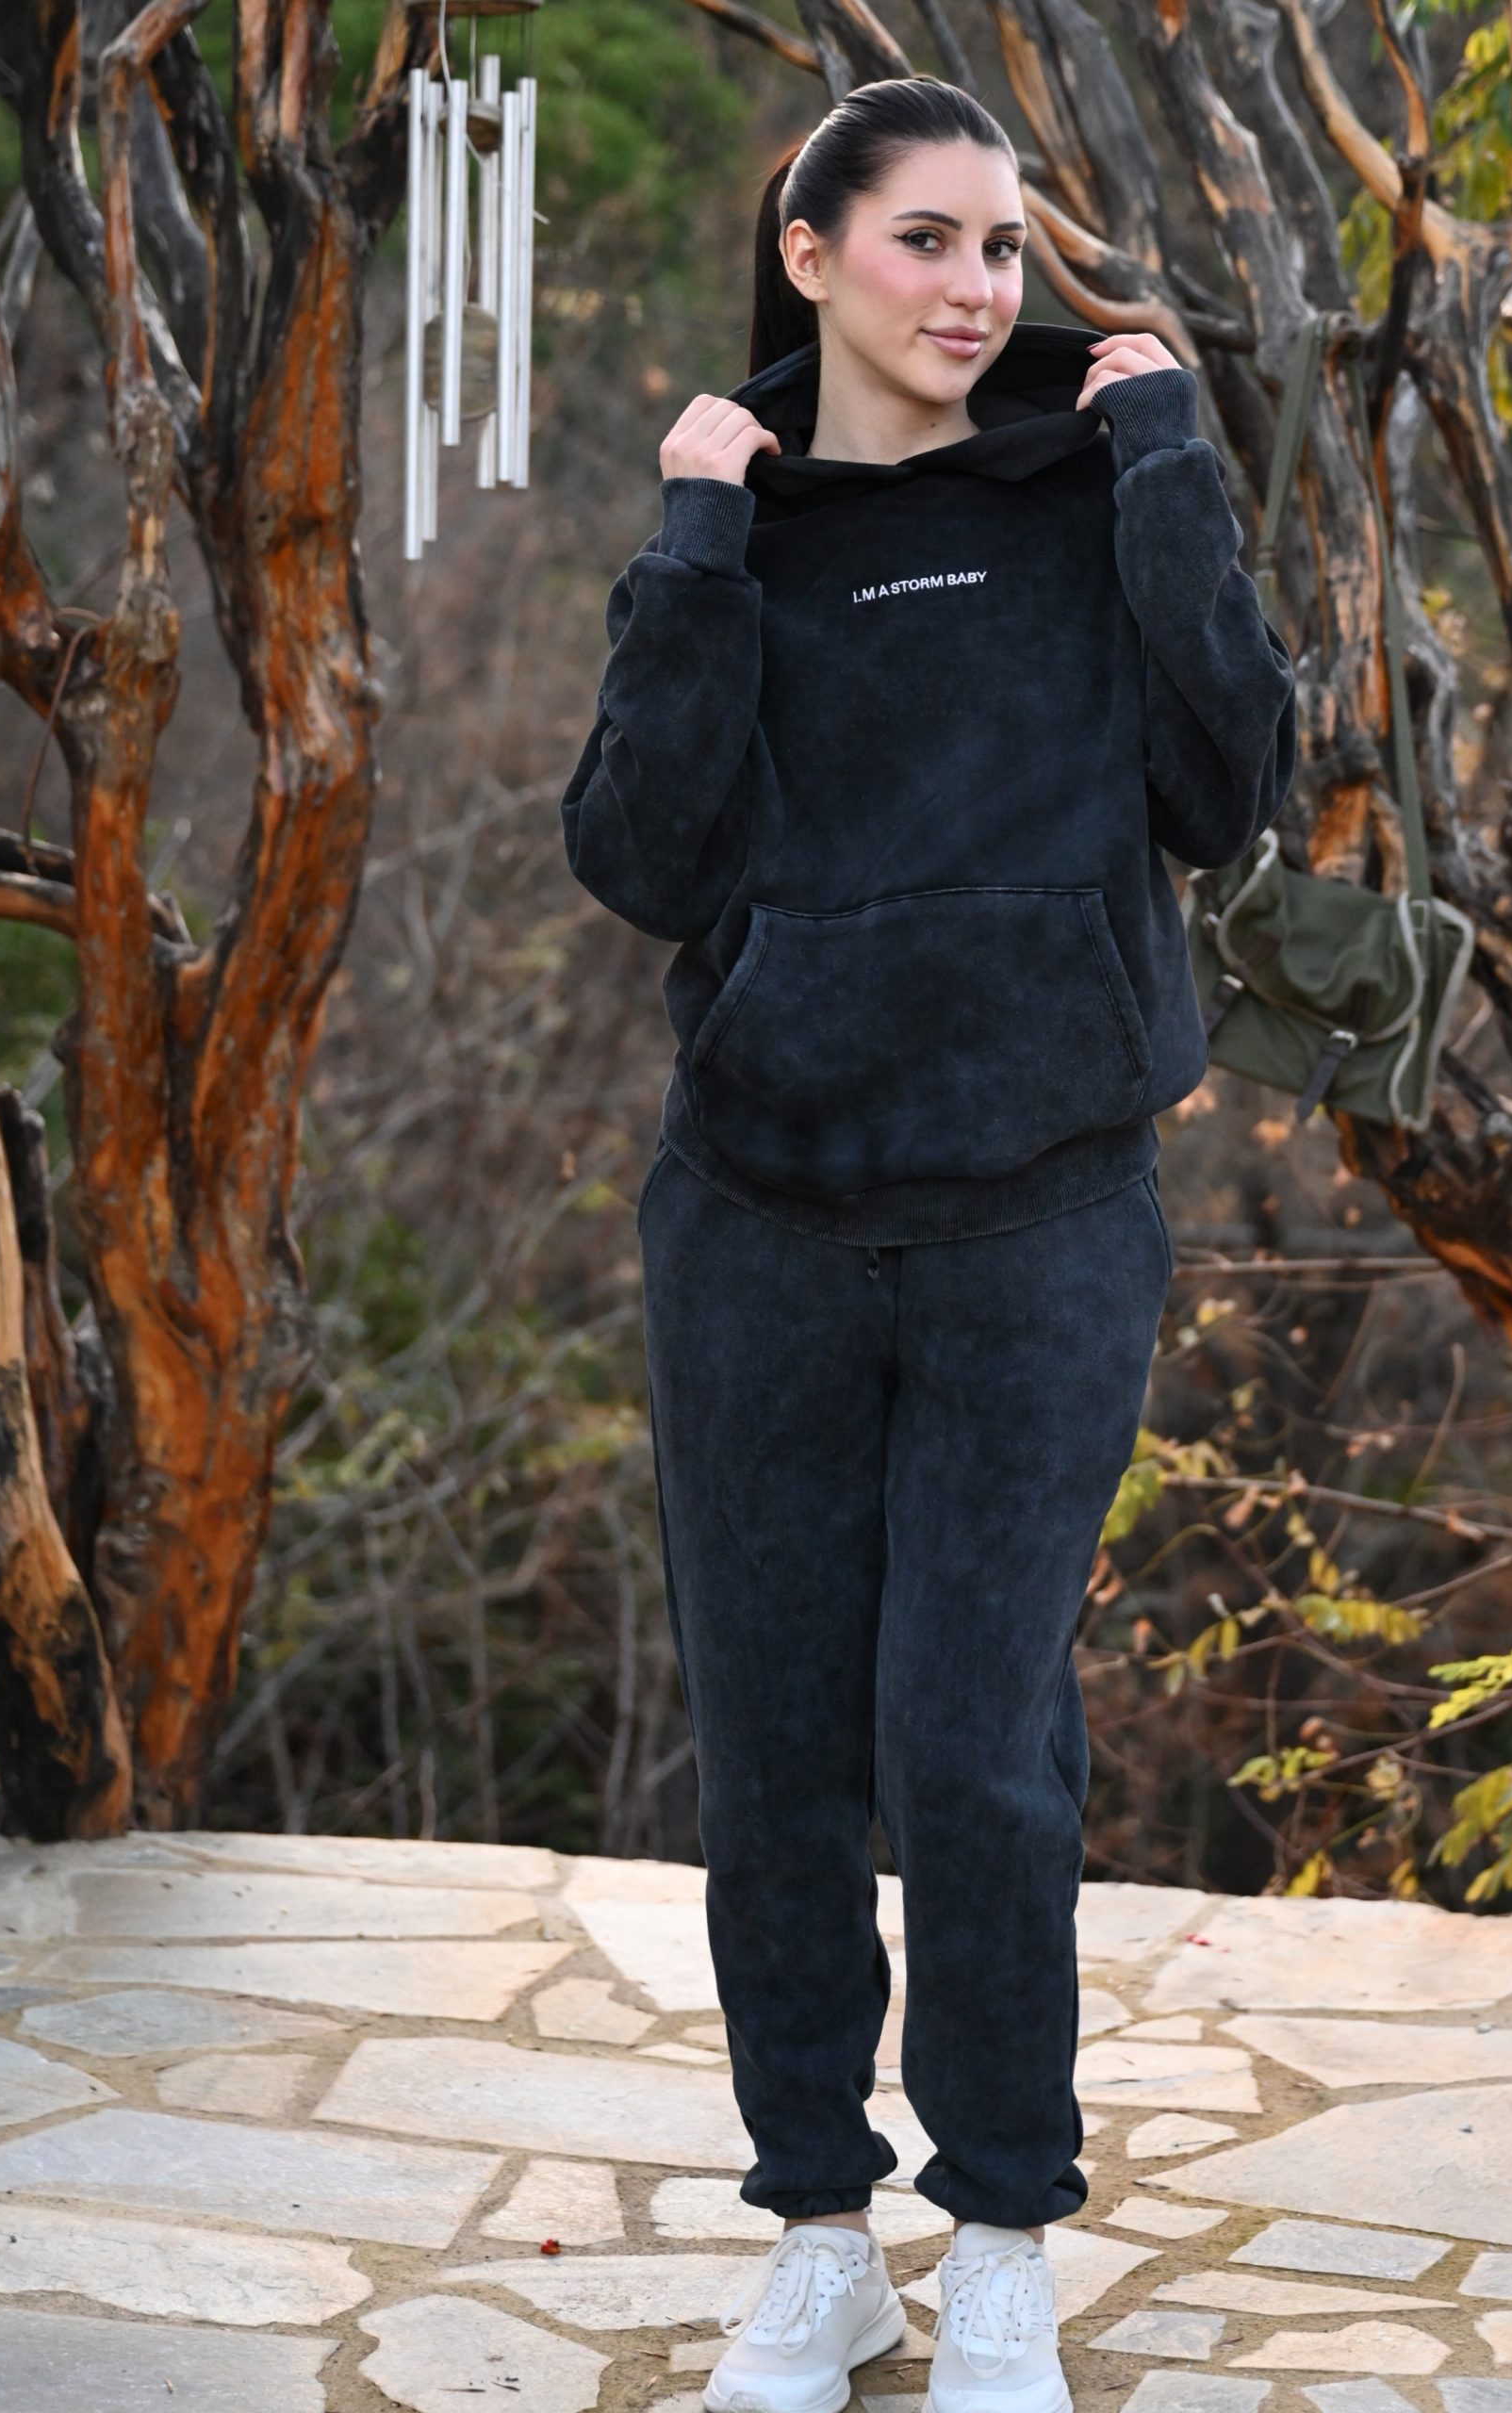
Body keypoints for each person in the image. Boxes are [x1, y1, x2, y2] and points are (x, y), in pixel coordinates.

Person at [560, 72, 1296, 2413]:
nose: (977, 287)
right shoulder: (734, 527)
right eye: (926, 240)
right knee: (778, 1751)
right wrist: (694, 542)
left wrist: (1170, 467)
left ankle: (997, 2234)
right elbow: (641, 855)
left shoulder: (1091, 492)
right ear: (810, 257)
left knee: (971, 1746)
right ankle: (819, 2231)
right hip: (760, 1223)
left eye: (1003, 245)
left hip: (1037, 1216)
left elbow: (1231, 782)